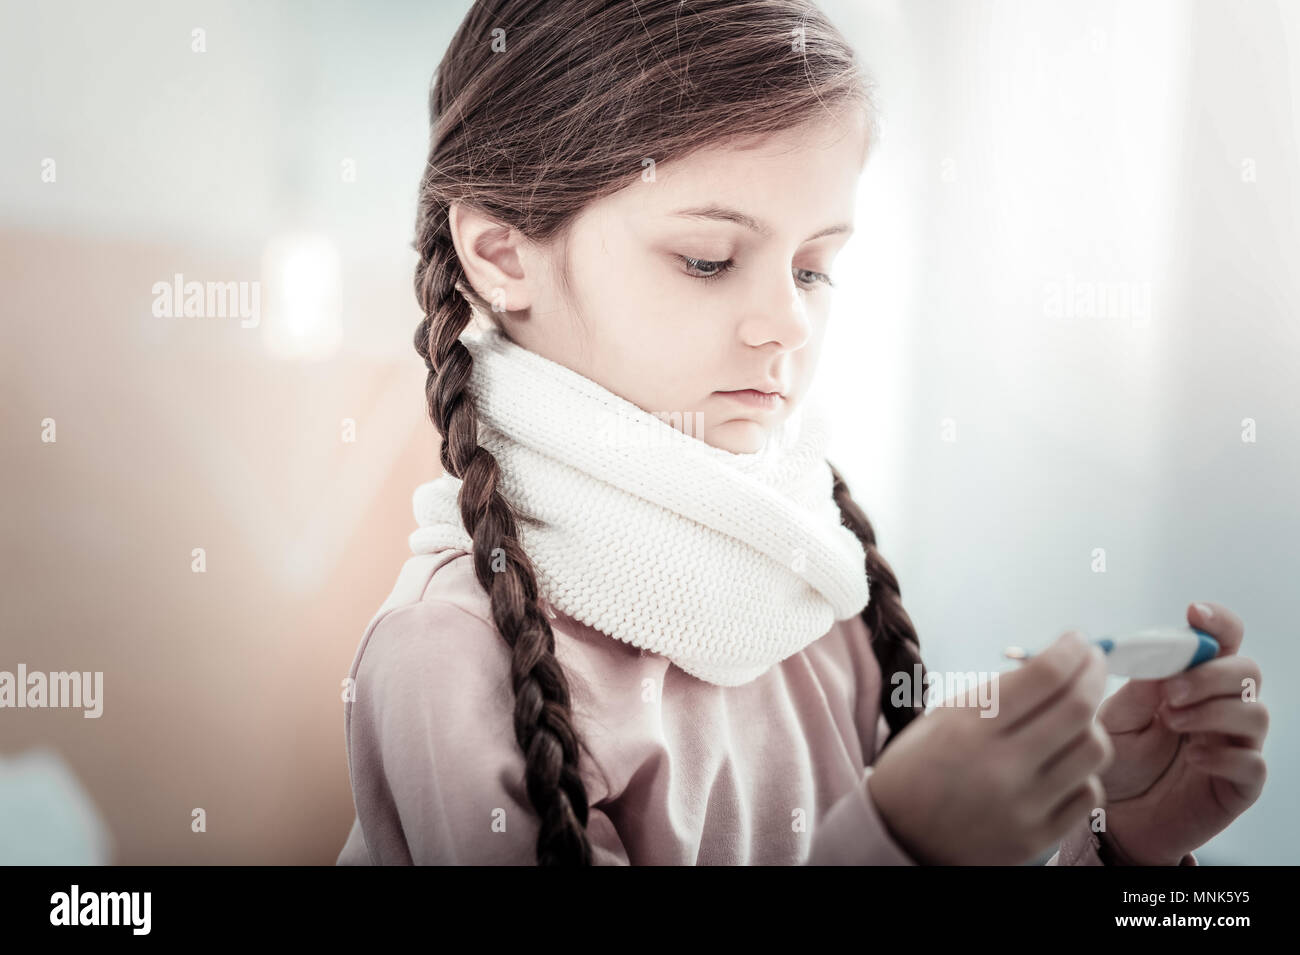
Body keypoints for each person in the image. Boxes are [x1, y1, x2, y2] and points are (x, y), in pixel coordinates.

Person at [337, 0, 1267, 865]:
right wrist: (903, 838)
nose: (786, 322)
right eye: (708, 259)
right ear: (502, 254)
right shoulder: (448, 654)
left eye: (815, 267)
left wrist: (1119, 841)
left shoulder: (807, 582)